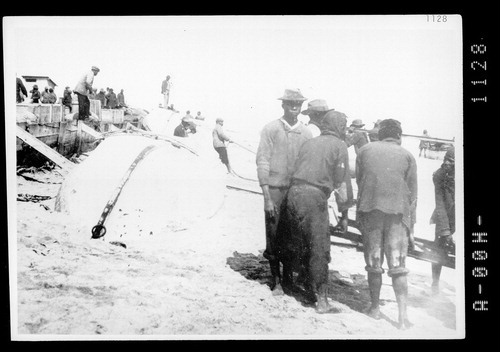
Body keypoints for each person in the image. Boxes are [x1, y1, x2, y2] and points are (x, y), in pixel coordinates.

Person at [284, 110, 354, 313]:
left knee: (299, 242)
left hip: (293, 193)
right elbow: (341, 182)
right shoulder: (339, 145)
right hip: (313, 197)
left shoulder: (310, 142)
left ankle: (299, 283)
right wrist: (344, 215)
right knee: (319, 248)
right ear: (339, 127)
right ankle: (322, 300)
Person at [355, 118, 417, 330]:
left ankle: (374, 309)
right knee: (398, 266)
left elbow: (359, 180)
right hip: (398, 215)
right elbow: (412, 195)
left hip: (370, 210)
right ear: (399, 135)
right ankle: (402, 317)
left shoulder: (364, 150)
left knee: (374, 263)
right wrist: (411, 229)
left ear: (380, 134)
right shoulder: (407, 155)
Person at [256, 88, 313, 295]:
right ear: (283, 105)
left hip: (296, 192)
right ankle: (277, 280)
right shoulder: (271, 129)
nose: (294, 106)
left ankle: (289, 278)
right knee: (273, 232)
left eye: (298, 103)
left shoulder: (307, 133)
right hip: (274, 189)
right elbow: (262, 160)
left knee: (293, 235)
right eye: (290, 103)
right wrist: (267, 197)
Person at [430, 147, 455, 295]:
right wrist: (445, 231)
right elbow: (439, 203)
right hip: (445, 214)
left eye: (451, 161)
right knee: (438, 250)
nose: (446, 163)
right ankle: (435, 283)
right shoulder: (439, 175)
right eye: (446, 159)